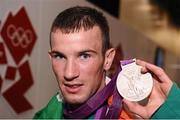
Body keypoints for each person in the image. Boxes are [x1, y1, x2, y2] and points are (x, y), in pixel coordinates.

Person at [33, 6, 180, 119]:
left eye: (84, 56)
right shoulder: (50, 112)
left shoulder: (125, 116)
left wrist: (173, 114)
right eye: (59, 56)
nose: (69, 73)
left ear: (108, 59)